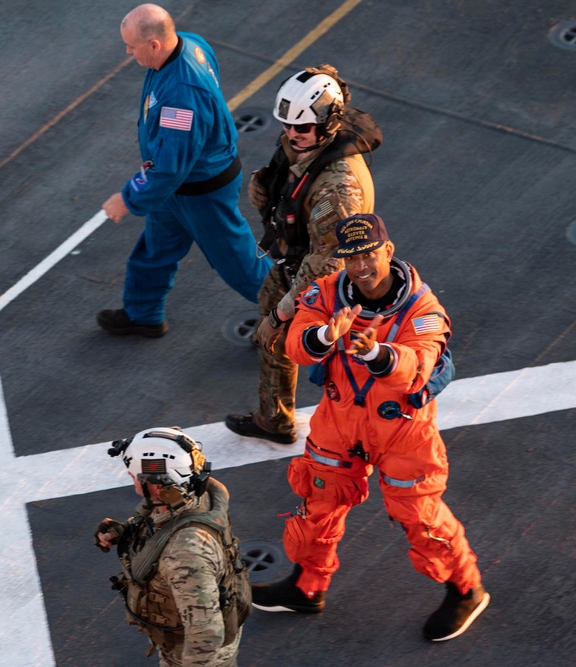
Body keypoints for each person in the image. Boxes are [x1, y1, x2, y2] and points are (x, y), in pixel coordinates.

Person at [251, 214, 490, 642]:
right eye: (351, 258)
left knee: (420, 517)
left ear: (388, 250)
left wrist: (377, 354)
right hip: (339, 422)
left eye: (368, 254)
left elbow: (419, 366)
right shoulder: (326, 293)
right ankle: (307, 587)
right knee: (318, 504)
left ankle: (466, 590)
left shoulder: (424, 310)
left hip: (403, 431)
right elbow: (296, 344)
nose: (360, 266)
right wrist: (325, 336)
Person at [225, 64, 382, 444]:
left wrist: (281, 315)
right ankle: (274, 417)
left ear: (328, 124)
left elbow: (327, 261)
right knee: (271, 327)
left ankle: (358, 430)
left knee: (338, 358)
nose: (292, 133)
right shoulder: (311, 142)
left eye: (303, 127)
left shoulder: (336, 189)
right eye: (288, 125)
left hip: (323, 278)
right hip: (293, 262)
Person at [98, 4, 271, 338]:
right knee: (156, 249)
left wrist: (128, 198)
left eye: (131, 46)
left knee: (240, 265)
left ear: (154, 45)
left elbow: (169, 167)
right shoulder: (190, 43)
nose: (128, 52)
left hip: (201, 192)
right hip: (179, 188)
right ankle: (143, 314)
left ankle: (300, 316)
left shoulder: (182, 97)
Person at [96, 426, 251, 665]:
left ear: (157, 486)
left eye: (134, 476)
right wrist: (123, 531)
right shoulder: (189, 493)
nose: (131, 479)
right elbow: (157, 524)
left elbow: (206, 637)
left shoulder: (185, 555)